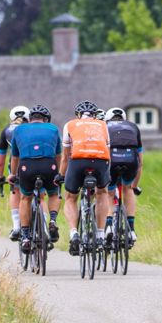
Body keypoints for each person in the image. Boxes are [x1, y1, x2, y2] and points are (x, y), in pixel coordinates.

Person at [61, 100, 112, 256]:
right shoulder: (103, 125)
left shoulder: (70, 124)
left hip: (78, 161)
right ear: (95, 115)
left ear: (78, 115)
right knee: (102, 193)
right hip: (100, 161)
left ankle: (74, 233)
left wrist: (61, 176)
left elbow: (65, 156)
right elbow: (107, 149)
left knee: (70, 197)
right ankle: (101, 235)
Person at [10, 104, 61, 246]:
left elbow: (15, 157)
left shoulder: (19, 129)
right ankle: (52, 220)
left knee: (25, 198)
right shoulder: (53, 128)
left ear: (30, 118)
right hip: (48, 165)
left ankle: (25, 237)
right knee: (53, 193)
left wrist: (12, 175)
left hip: (27, 166)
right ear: (45, 119)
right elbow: (58, 156)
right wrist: (59, 173)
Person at [104, 106, 143, 246]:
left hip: (112, 160)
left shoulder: (104, 126)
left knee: (108, 193)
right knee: (128, 189)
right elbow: (140, 162)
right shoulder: (133, 127)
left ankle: (108, 225)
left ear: (107, 118)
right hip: (130, 160)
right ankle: (131, 229)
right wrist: (135, 185)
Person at [0, 104, 30, 239]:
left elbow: (0, 161)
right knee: (40, 194)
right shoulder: (31, 128)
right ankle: (44, 227)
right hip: (35, 163)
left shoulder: (6, 131)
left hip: (16, 165)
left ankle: (16, 226)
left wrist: (0, 176)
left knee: (15, 189)